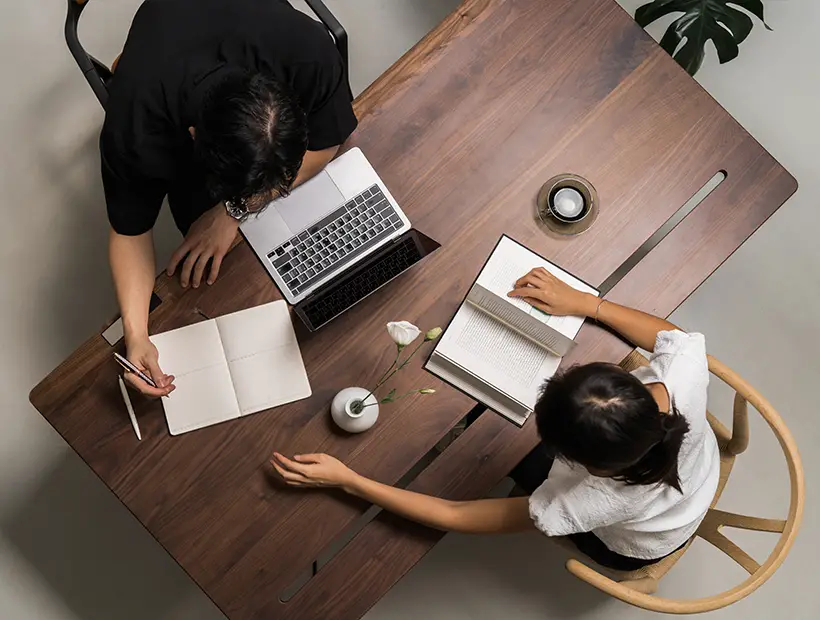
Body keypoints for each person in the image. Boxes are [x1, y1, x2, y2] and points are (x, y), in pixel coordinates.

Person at [271, 267, 720, 571]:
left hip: (640, 543)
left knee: (507, 462)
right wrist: (584, 303)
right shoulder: (682, 376)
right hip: (694, 483)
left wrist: (349, 480)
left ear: (579, 463)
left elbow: (455, 513)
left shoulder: (580, 503)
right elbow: (671, 336)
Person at [103, 0, 357, 397]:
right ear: (191, 137)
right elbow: (130, 233)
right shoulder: (137, 126)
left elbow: (327, 144)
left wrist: (233, 212)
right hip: (161, 53)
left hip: (220, 30)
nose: (273, 196)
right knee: (222, 278)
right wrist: (137, 336)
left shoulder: (306, 49)